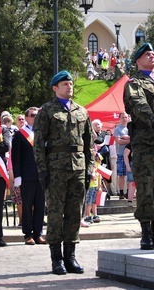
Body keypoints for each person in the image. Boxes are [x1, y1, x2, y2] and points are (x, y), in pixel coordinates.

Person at [34, 70, 94, 275]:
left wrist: (90, 169)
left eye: (70, 83)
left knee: (75, 213)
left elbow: (89, 145)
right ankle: (56, 258)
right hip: (56, 168)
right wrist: (42, 169)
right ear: (55, 88)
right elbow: (39, 143)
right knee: (55, 213)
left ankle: (70, 256)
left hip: (78, 167)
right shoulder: (47, 111)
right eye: (65, 84)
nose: (69, 86)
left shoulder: (82, 111)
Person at [123, 43, 154, 250]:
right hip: (144, 141)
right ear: (138, 61)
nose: (152, 57)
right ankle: (146, 232)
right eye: (147, 55)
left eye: (153, 54)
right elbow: (139, 105)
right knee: (145, 187)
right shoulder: (134, 83)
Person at [12, 106, 46, 245]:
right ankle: (28, 234)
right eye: (32, 115)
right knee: (27, 205)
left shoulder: (43, 133)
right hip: (26, 175)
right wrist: (17, 176)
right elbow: (16, 157)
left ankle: (38, 233)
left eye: (37, 115)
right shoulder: (20, 135)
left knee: (40, 205)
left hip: (41, 174)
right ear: (26, 118)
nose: (34, 117)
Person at [113, 112, 131, 200]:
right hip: (121, 153)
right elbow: (118, 141)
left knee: (130, 174)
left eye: (126, 117)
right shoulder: (118, 129)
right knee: (121, 174)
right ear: (120, 118)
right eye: (123, 117)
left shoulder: (130, 128)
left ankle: (128, 191)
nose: (124, 119)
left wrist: (125, 138)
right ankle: (121, 193)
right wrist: (129, 140)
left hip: (130, 154)